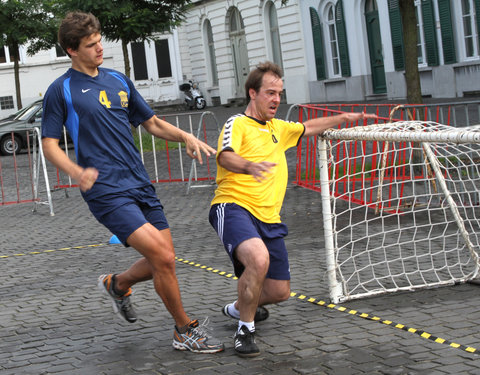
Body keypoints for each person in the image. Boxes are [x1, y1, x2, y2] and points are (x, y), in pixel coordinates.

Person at [41, 11, 224, 354]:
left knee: (163, 259)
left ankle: (117, 284)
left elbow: (151, 123)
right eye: (91, 44)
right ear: (71, 50)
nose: (100, 48)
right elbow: (49, 143)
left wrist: (185, 135)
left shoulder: (118, 79)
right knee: (165, 258)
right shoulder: (61, 90)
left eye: (100, 41)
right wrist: (76, 172)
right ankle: (184, 330)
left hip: (140, 183)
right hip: (106, 191)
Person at [209, 61, 376, 357]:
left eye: (279, 94)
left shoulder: (279, 128)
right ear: (253, 93)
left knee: (279, 292)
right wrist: (249, 165)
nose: (276, 99)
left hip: (269, 217)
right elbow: (224, 157)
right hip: (233, 206)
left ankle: (239, 309)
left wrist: (345, 117)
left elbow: (308, 127)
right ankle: (244, 332)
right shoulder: (237, 123)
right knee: (257, 260)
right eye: (270, 93)